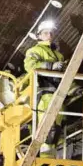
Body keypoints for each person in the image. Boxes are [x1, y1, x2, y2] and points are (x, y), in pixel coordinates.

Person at [24, 20, 70, 158]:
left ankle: (51, 157)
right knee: (46, 125)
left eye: (50, 32)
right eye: (45, 33)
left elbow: (67, 75)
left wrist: (75, 89)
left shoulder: (59, 55)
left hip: (58, 93)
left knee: (58, 123)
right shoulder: (34, 51)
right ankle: (44, 158)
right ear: (38, 36)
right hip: (43, 91)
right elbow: (30, 66)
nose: (49, 35)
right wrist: (51, 66)